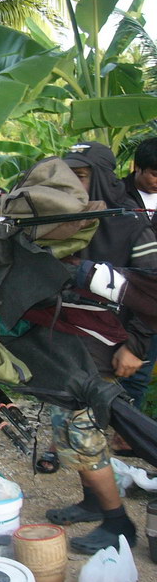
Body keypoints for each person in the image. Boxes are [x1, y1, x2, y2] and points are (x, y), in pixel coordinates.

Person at [43, 141, 157, 553]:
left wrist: (137, 348)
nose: (72, 181)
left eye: (83, 174)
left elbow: (152, 292)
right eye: (67, 171)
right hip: (66, 345)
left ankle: (118, 524)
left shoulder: (130, 224)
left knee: (84, 432)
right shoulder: (62, 220)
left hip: (108, 348)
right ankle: (95, 500)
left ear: (105, 178)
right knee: (69, 431)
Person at [119, 137, 157, 412]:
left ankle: (124, 435)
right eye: (155, 174)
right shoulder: (116, 195)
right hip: (119, 290)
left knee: (141, 368)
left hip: (153, 295)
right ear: (137, 168)